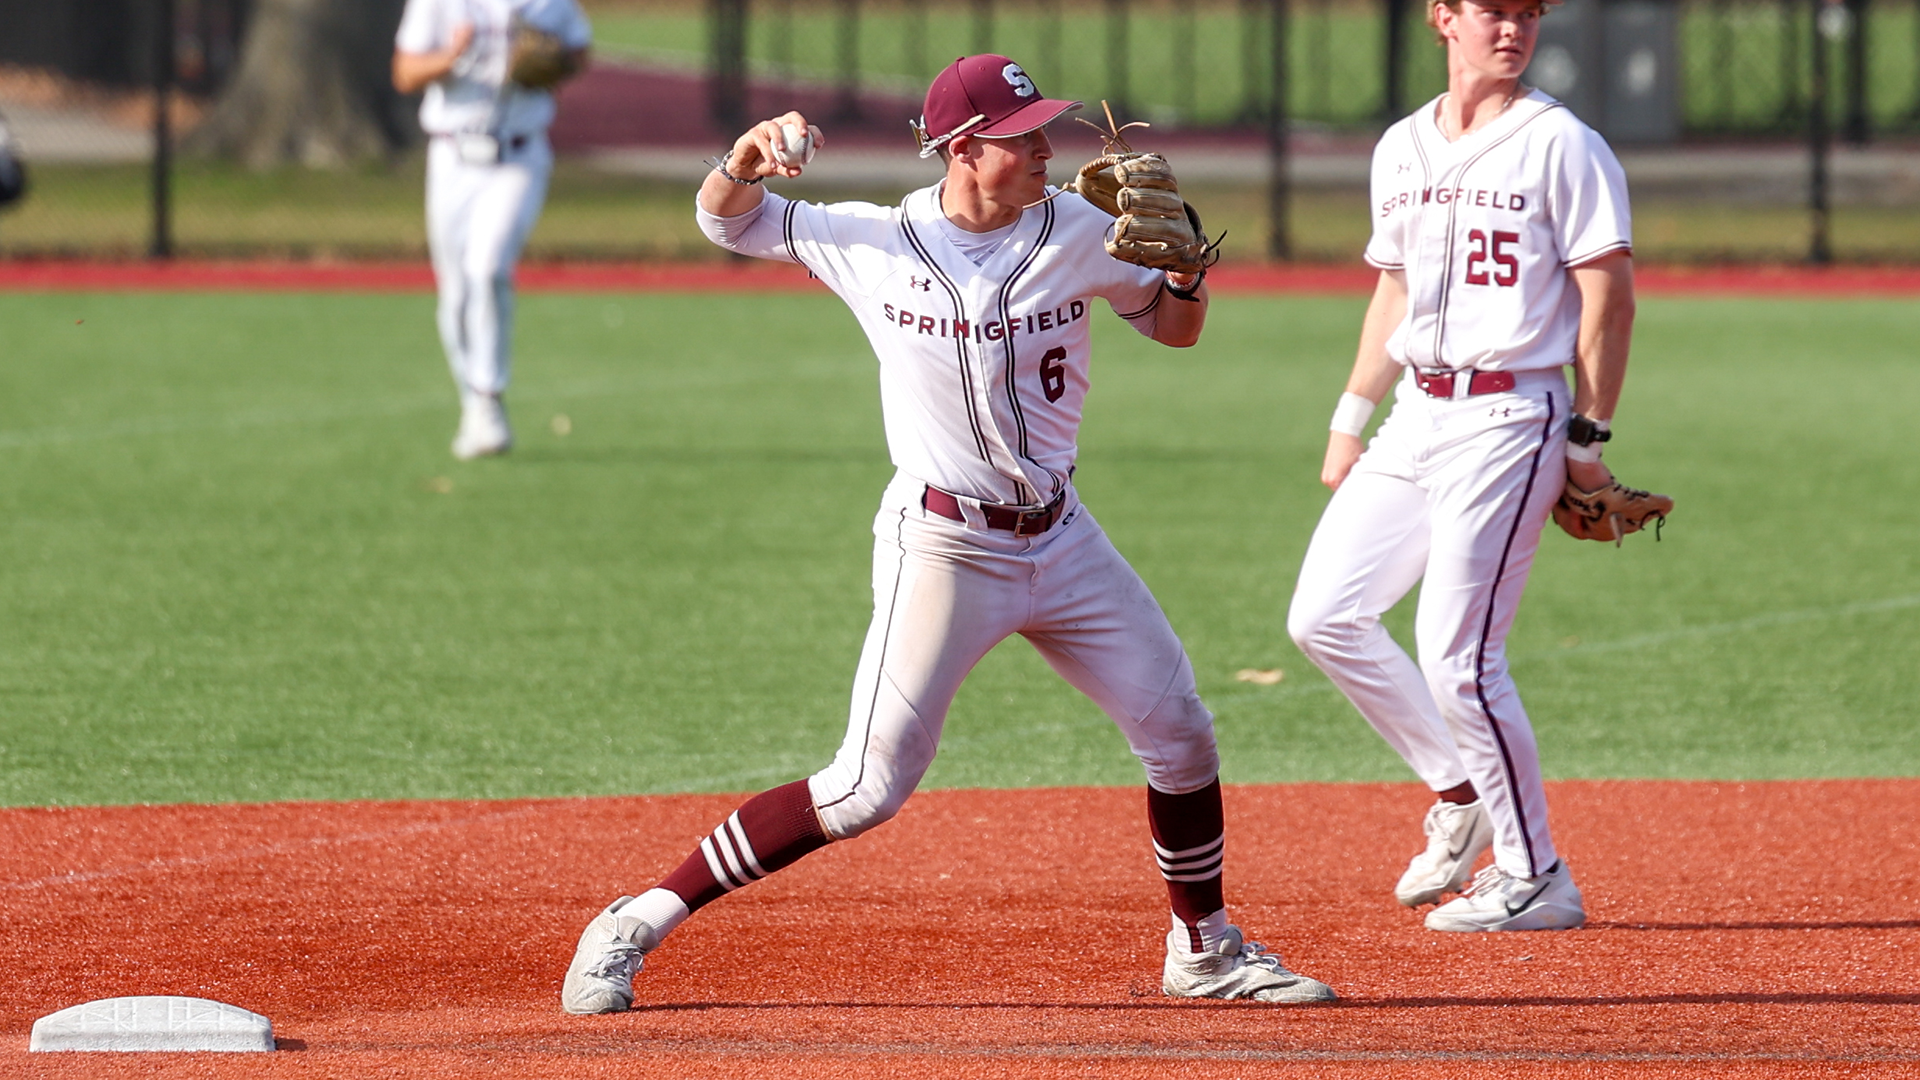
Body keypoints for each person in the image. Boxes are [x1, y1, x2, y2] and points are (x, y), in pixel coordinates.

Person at [561, 54, 1336, 1011]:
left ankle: (1204, 949)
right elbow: (726, 219)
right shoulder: (874, 241)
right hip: (944, 545)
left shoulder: (1085, 231)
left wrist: (1186, 272)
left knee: (1181, 734)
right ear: (964, 150)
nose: (1047, 148)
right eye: (1024, 136)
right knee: (864, 790)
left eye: (1045, 128)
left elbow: (1176, 331)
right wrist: (746, 155)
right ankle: (635, 920)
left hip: (1062, 538)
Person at [1286, 0, 1634, 931]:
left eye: (1527, 12)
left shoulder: (1563, 143)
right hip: (1416, 412)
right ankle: (1458, 787)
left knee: (1460, 658)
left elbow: (1608, 295)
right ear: (1443, 17)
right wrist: (1348, 419)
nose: (1512, 27)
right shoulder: (1400, 145)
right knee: (1325, 615)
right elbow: (1391, 288)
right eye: (1491, 10)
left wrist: (1587, 439)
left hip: (1513, 412)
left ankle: (1536, 875)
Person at [392, 0, 590, 459]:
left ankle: (488, 396)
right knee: (456, 294)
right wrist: (451, 54)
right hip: (452, 157)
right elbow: (405, 73)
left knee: (488, 267)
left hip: (520, 156)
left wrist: (551, 60)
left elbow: (579, 53)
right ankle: (473, 404)